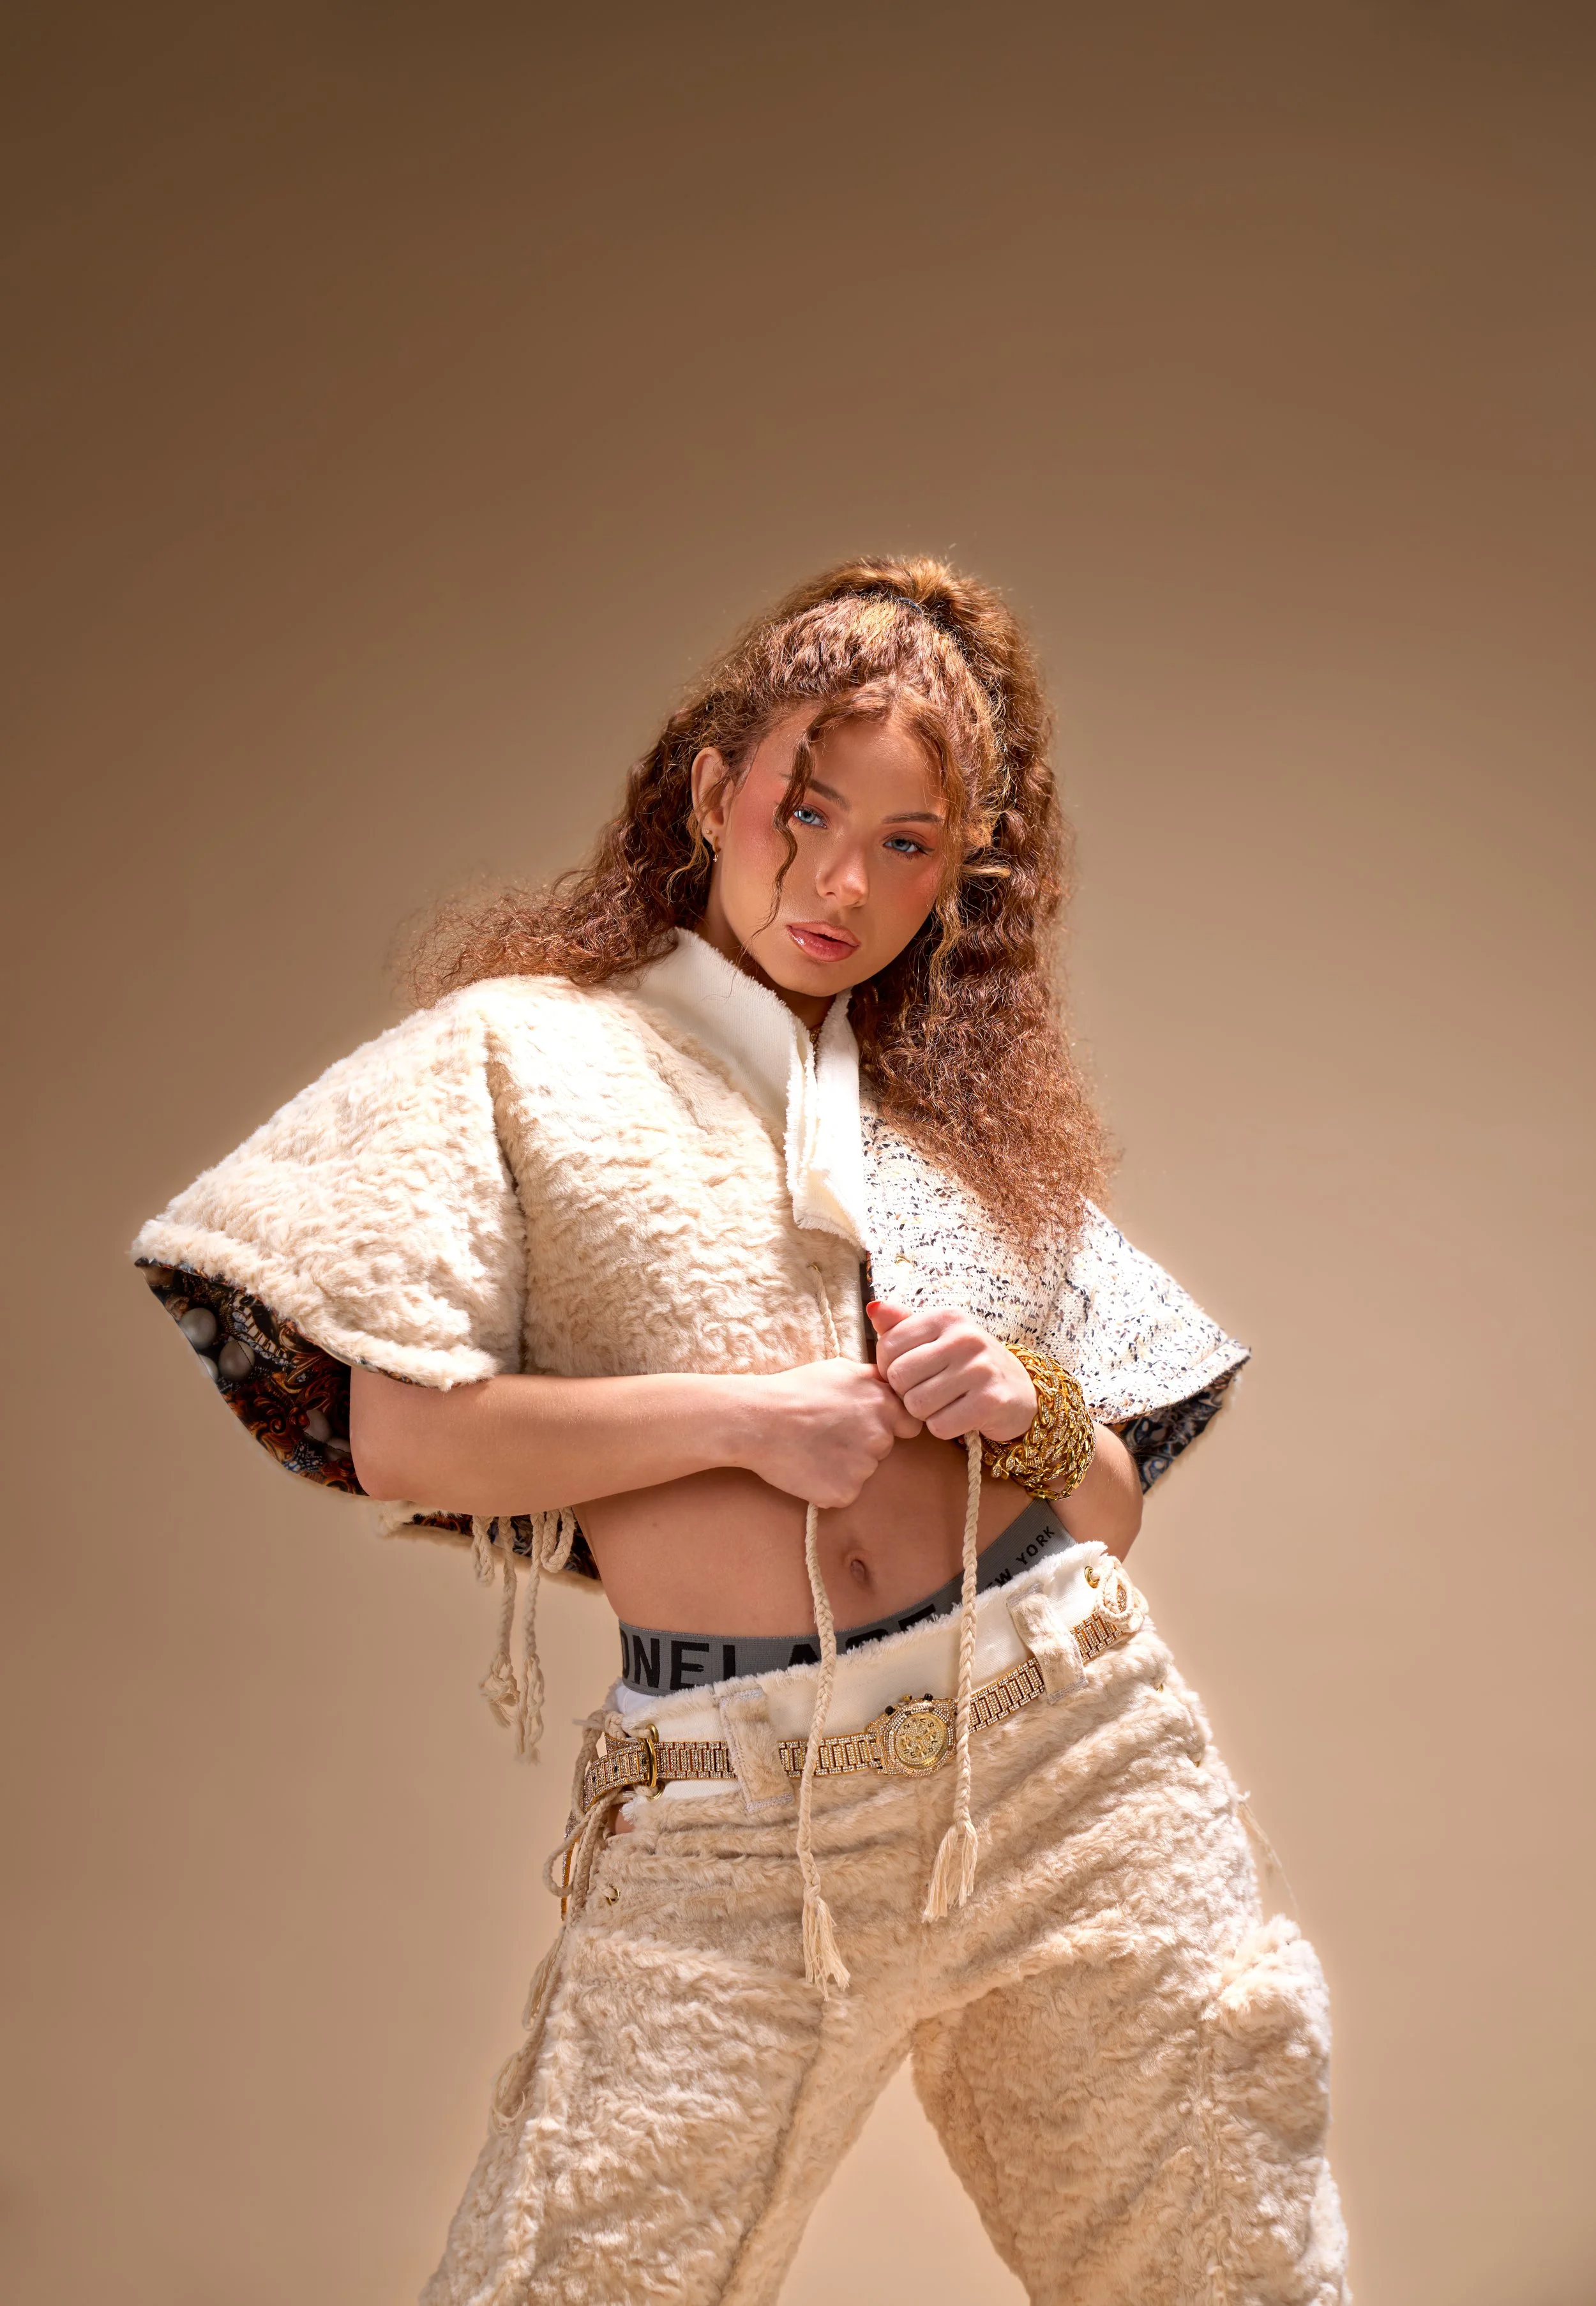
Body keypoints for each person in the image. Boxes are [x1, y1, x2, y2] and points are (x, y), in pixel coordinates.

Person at [134, 559, 1348, 2304]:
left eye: (910, 844)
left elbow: (1098, 1514)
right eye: (804, 810)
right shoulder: (522, 1056)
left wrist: (1029, 1404)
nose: (843, 883)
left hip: (1072, 1753)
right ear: (712, 790)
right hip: (729, 1820)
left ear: (959, 872)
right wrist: (741, 1420)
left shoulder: (957, 1120)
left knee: (1236, 2273)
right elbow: (396, 1434)